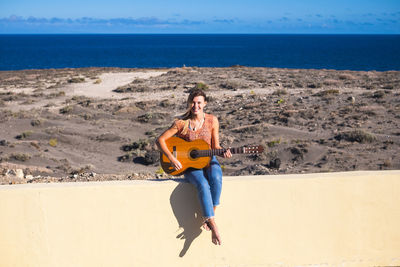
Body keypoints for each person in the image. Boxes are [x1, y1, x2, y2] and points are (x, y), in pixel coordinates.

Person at [157, 89, 232, 245]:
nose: (195, 105)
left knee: (216, 176)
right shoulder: (181, 123)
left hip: (209, 160)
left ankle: (210, 216)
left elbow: (216, 146)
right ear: (189, 103)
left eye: (199, 102)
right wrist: (171, 158)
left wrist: (223, 152)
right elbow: (160, 141)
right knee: (203, 184)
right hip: (190, 166)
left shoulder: (212, 121)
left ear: (205, 104)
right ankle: (213, 225)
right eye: (193, 102)